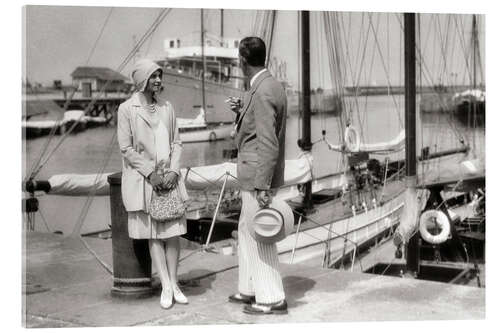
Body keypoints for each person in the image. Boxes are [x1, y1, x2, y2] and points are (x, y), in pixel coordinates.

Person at [117, 59, 189, 309]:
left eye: (160, 75)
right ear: (141, 80)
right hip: (145, 181)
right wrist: (151, 173)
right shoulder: (126, 109)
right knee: (154, 234)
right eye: (153, 76)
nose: (159, 80)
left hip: (168, 180)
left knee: (173, 233)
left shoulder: (167, 107)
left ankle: (175, 282)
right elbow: (125, 148)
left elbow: (177, 143)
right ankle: (166, 286)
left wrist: (173, 171)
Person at [227, 37, 288, 315]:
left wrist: (263, 186)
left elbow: (267, 142)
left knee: (259, 234)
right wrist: (242, 113)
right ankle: (249, 287)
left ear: (242, 61)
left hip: (255, 177)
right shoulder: (269, 86)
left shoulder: (261, 92)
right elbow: (261, 129)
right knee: (245, 230)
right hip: (253, 175)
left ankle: (271, 298)